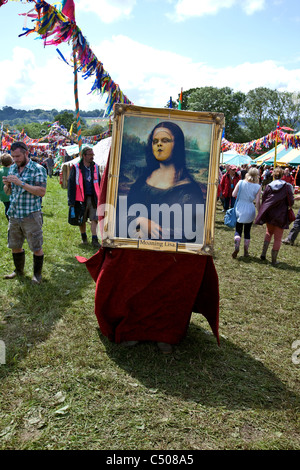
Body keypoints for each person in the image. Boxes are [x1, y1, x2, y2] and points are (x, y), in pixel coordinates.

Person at [122, 121, 205, 244]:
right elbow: (124, 215)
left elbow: (193, 231)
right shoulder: (141, 182)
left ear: (177, 145)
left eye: (165, 140)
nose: (159, 144)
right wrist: (140, 221)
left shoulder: (189, 189)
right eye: (155, 141)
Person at [2, 142, 47, 284]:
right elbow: (8, 192)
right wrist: (7, 185)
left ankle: (37, 275)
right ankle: (19, 271)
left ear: (26, 153)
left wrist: (20, 183)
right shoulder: (12, 169)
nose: (15, 159)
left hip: (31, 214)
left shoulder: (38, 169)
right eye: (13, 156)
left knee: (36, 247)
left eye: (18, 156)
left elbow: (41, 191)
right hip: (14, 213)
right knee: (15, 245)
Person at [255, 166, 294, 266]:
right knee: (278, 238)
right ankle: (274, 260)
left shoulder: (268, 186)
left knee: (268, 233)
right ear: (282, 175)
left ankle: (263, 254)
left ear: (273, 175)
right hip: (281, 215)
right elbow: (291, 201)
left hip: (270, 214)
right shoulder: (286, 186)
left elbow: (264, 200)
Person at [68, 146, 101, 248]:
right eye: (90, 155)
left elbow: (99, 182)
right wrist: (71, 201)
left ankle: (95, 239)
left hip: (93, 197)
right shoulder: (76, 167)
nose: (92, 157)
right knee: (81, 219)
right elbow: (71, 185)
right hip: (80, 198)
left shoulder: (95, 167)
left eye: (93, 155)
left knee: (94, 218)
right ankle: (84, 238)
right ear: (84, 156)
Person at [231, 167, 261, 258]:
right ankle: (246, 251)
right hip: (250, 208)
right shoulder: (258, 187)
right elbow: (258, 201)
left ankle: (237, 242)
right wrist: (259, 212)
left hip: (240, 207)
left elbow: (233, 194)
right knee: (247, 231)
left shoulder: (240, 182)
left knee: (238, 229)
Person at [0, 153, 13, 220]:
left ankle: (8, 219)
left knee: (7, 207)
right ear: (11, 161)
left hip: (2, 194)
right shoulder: (13, 171)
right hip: (11, 194)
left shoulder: (0, 171)